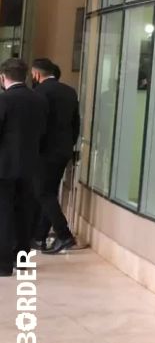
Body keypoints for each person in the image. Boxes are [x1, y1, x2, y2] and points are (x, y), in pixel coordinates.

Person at [0, 59, 47, 276]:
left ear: (3, 77)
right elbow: (43, 131)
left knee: (4, 213)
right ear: (26, 76)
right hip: (31, 165)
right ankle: (21, 259)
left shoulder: (4, 100)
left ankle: (3, 264)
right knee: (24, 212)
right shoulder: (39, 99)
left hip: (4, 166)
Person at [30, 58, 79, 254]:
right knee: (49, 192)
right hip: (63, 150)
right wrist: (69, 144)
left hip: (44, 151)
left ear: (36, 74)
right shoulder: (69, 91)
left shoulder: (38, 93)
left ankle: (64, 234)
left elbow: (38, 125)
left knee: (43, 193)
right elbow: (75, 123)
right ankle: (39, 236)